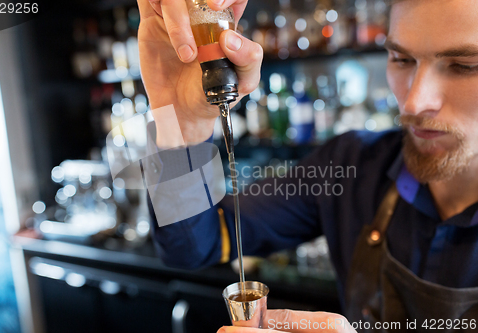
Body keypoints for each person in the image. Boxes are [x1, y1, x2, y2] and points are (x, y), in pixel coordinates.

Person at [137, 0, 478, 331]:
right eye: (401, 59)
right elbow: (193, 245)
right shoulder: (352, 166)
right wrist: (181, 123)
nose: (416, 101)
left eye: (464, 65)